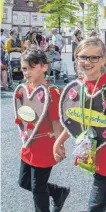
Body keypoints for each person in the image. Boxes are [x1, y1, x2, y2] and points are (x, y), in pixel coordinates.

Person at [53, 38, 106, 212]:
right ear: (76, 58)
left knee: (96, 203)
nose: (87, 62)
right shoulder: (78, 86)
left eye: (94, 58)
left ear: (104, 59)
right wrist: (59, 140)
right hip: (91, 148)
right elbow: (77, 118)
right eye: (83, 57)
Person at [17, 46, 70, 212]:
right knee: (24, 182)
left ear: (44, 67)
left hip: (45, 146)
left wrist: (58, 145)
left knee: (38, 188)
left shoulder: (51, 92)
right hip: (29, 143)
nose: (27, 72)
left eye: (32, 67)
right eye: (24, 68)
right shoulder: (25, 90)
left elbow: (56, 122)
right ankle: (58, 192)